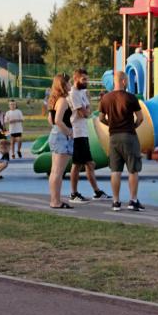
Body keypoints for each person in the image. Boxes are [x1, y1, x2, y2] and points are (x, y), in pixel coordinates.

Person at [98, 71, 145, 212]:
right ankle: (133, 200)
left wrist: (111, 124)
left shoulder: (105, 98)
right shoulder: (130, 98)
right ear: (124, 81)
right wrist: (133, 126)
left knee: (115, 171)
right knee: (133, 170)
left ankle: (116, 201)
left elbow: (101, 118)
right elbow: (140, 118)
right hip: (129, 136)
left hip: (113, 137)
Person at [68, 68, 109, 202]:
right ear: (76, 79)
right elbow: (84, 114)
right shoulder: (73, 94)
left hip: (83, 132)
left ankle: (96, 192)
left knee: (88, 164)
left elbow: (88, 111)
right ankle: (74, 193)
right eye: (83, 79)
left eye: (87, 79)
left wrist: (87, 108)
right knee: (79, 164)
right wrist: (87, 109)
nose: (86, 81)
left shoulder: (82, 93)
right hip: (77, 133)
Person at [47, 74, 75, 209]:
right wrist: (69, 132)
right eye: (69, 83)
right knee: (58, 172)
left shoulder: (54, 100)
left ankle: (55, 199)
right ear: (63, 85)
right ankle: (55, 201)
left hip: (55, 134)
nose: (71, 85)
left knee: (55, 171)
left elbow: (50, 119)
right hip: (62, 136)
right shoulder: (63, 101)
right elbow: (58, 120)